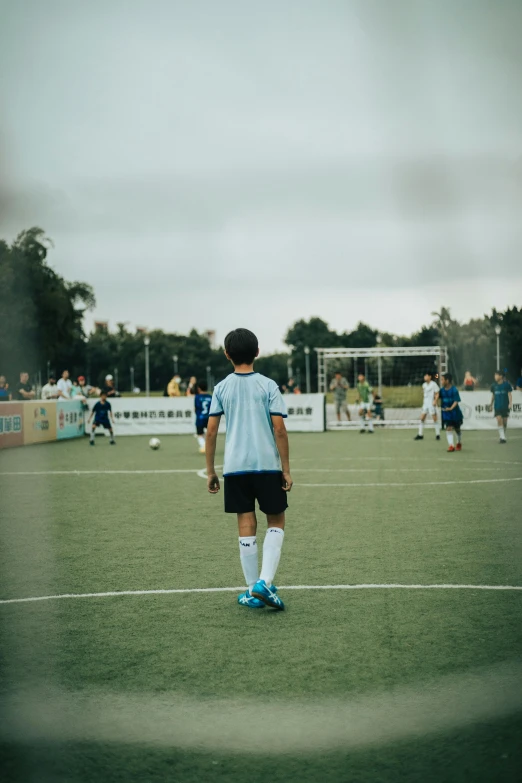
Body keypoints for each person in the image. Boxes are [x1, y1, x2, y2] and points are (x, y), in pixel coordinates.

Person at [205, 327, 292, 611]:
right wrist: (286, 469)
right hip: (266, 465)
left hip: (235, 468)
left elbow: (211, 432)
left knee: (246, 522)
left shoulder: (221, 388)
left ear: (227, 355)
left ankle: (254, 591)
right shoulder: (268, 385)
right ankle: (264, 582)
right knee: (276, 520)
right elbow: (279, 429)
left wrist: (211, 471)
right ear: (257, 352)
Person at [440, 373, 463, 452]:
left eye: (442, 380)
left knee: (457, 429)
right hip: (447, 414)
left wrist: (450, 408)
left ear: (447, 380)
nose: (441, 381)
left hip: (455, 413)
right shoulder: (441, 390)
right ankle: (451, 445)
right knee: (448, 428)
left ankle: (459, 442)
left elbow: (456, 401)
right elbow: (437, 396)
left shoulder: (454, 390)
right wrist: (435, 400)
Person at [414, 371, 441, 441]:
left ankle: (437, 434)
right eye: (424, 376)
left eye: (426, 376)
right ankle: (420, 434)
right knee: (422, 418)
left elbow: (437, 393)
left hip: (431, 404)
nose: (425, 377)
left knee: (434, 418)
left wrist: (435, 400)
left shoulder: (433, 384)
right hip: (425, 404)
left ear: (430, 377)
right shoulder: (424, 385)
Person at [490, 370, 513, 444]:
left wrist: (510, 403)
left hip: (505, 406)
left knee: (505, 422)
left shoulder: (506, 385)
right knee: (499, 419)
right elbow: (493, 395)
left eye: (496, 375)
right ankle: (502, 437)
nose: (495, 377)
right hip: (497, 406)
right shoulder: (493, 385)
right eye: (495, 375)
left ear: (501, 376)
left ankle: (502, 435)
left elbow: (509, 394)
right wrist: (490, 404)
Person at [194, 380, 212, 453]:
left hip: (200, 418)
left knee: (200, 434)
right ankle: (208, 446)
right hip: (209, 418)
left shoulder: (197, 397)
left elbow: (195, 408)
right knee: (210, 433)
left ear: (199, 388)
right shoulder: (210, 397)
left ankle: (204, 446)